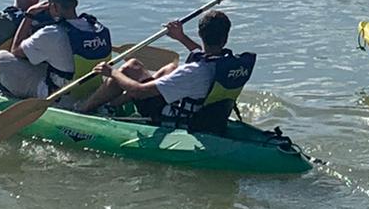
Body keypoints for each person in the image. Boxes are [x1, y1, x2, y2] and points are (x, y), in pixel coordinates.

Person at [77, 10, 254, 134]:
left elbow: (139, 92)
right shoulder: (230, 63)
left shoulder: (192, 72)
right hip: (208, 114)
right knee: (170, 67)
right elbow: (203, 55)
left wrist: (112, 72)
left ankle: (83, 112)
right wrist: (181, 37)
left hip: (176, 117)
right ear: (226, 37)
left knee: (128, 68)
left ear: (200, 34)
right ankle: (113, 104)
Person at [0, 0, 112, 100]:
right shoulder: (97, 28)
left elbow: (15, 50)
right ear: (76, 3)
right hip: (90, 90)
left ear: (53, 6)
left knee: (1, 58)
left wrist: (29, 15)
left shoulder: (52, 33)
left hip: (61, 96)